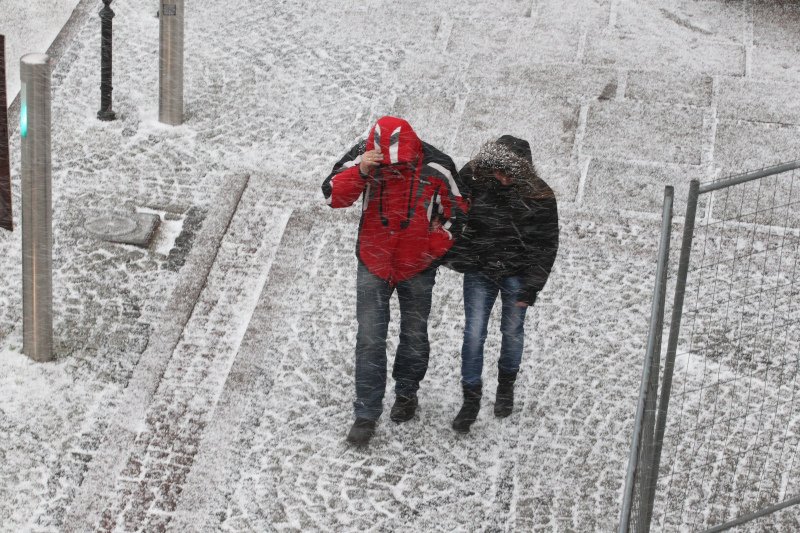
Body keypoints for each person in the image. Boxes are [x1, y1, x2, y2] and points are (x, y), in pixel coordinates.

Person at [322, 116, 468, 446]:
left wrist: (432, 247)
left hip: (416, 267)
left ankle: (407, 392)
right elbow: (333, 196)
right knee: (370, 338)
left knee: (414, 333)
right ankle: (366, 413)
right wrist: (361, 171)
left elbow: (458, 212)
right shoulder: (364, 155)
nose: (392, 169)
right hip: (374, 262)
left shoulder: (438, 166)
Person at [447, 135, 559, 434]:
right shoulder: (473, 178)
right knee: (473, 333)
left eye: (512, 174)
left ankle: (505, 387)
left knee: (512, 331)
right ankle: (471, 399)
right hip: (480, 268)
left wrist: (531, 286)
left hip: (518, 272)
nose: (505, 179)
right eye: (500, 172)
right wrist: (461, 255)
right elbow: (451, 213)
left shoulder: (539, 196)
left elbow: (546, 245)